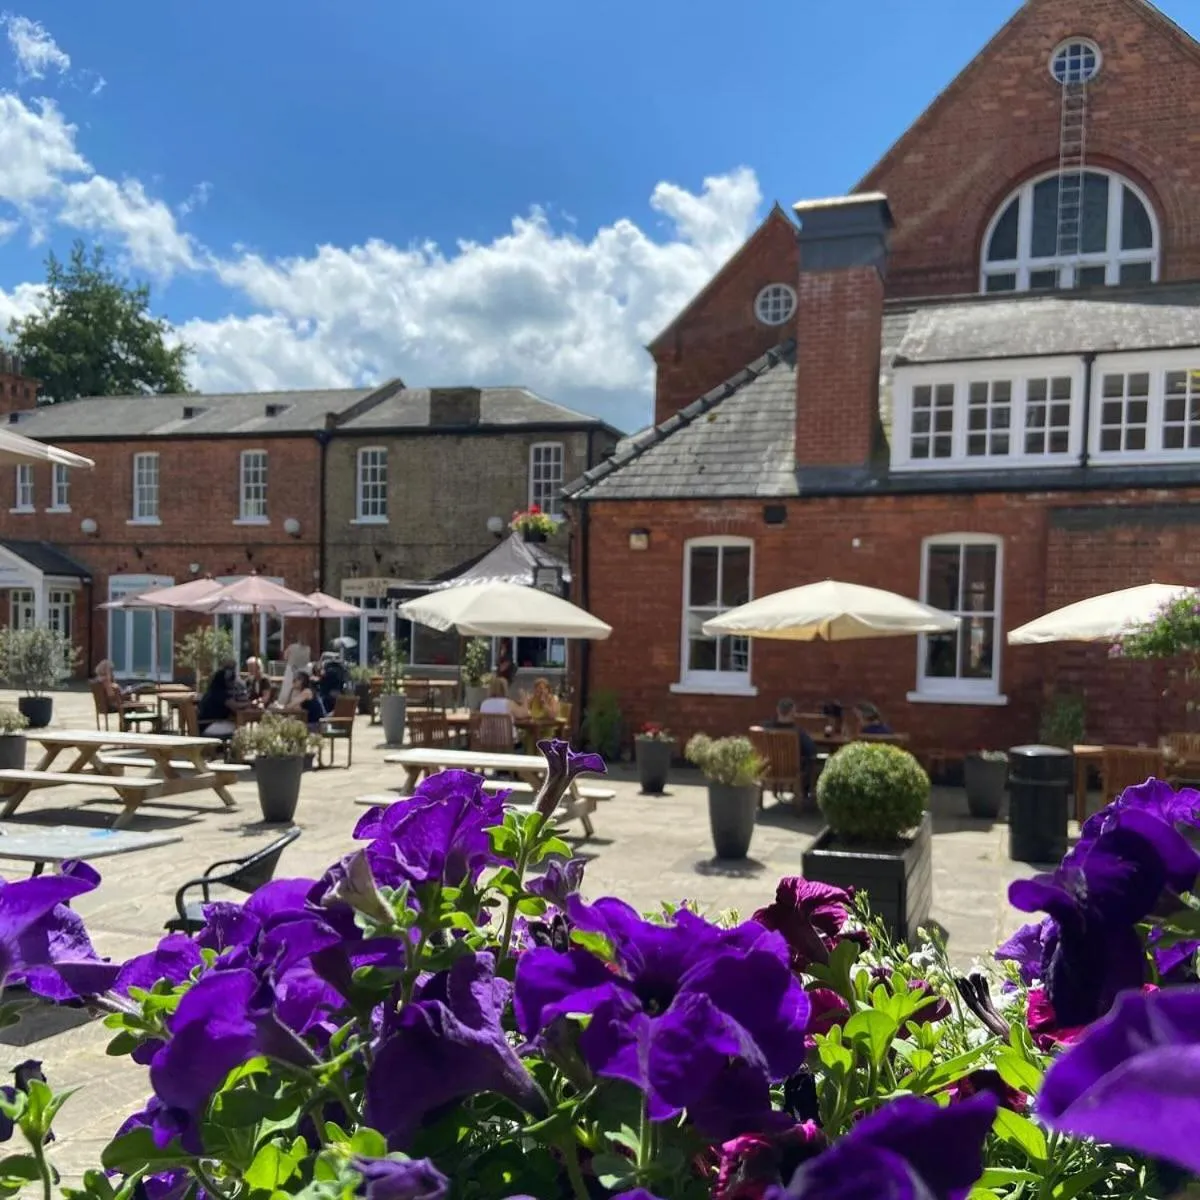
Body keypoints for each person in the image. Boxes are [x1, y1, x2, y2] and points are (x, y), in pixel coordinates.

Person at [765, 697, 817, 799]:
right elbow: (811, 750)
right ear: (793, 711)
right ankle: (805, 793)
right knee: (811, 761)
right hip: (793, 770)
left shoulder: (767, 729)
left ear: (777, 710)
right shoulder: (797, 732)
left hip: (771, 768)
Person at [197, 660, 246, 736]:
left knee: (236, 725)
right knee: (240, 728)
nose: (232, 684)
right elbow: (234, 706)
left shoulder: (213, 691)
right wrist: (249, 703)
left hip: (204, 725)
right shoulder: (220, 694)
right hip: (209, 725)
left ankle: (221, 748)